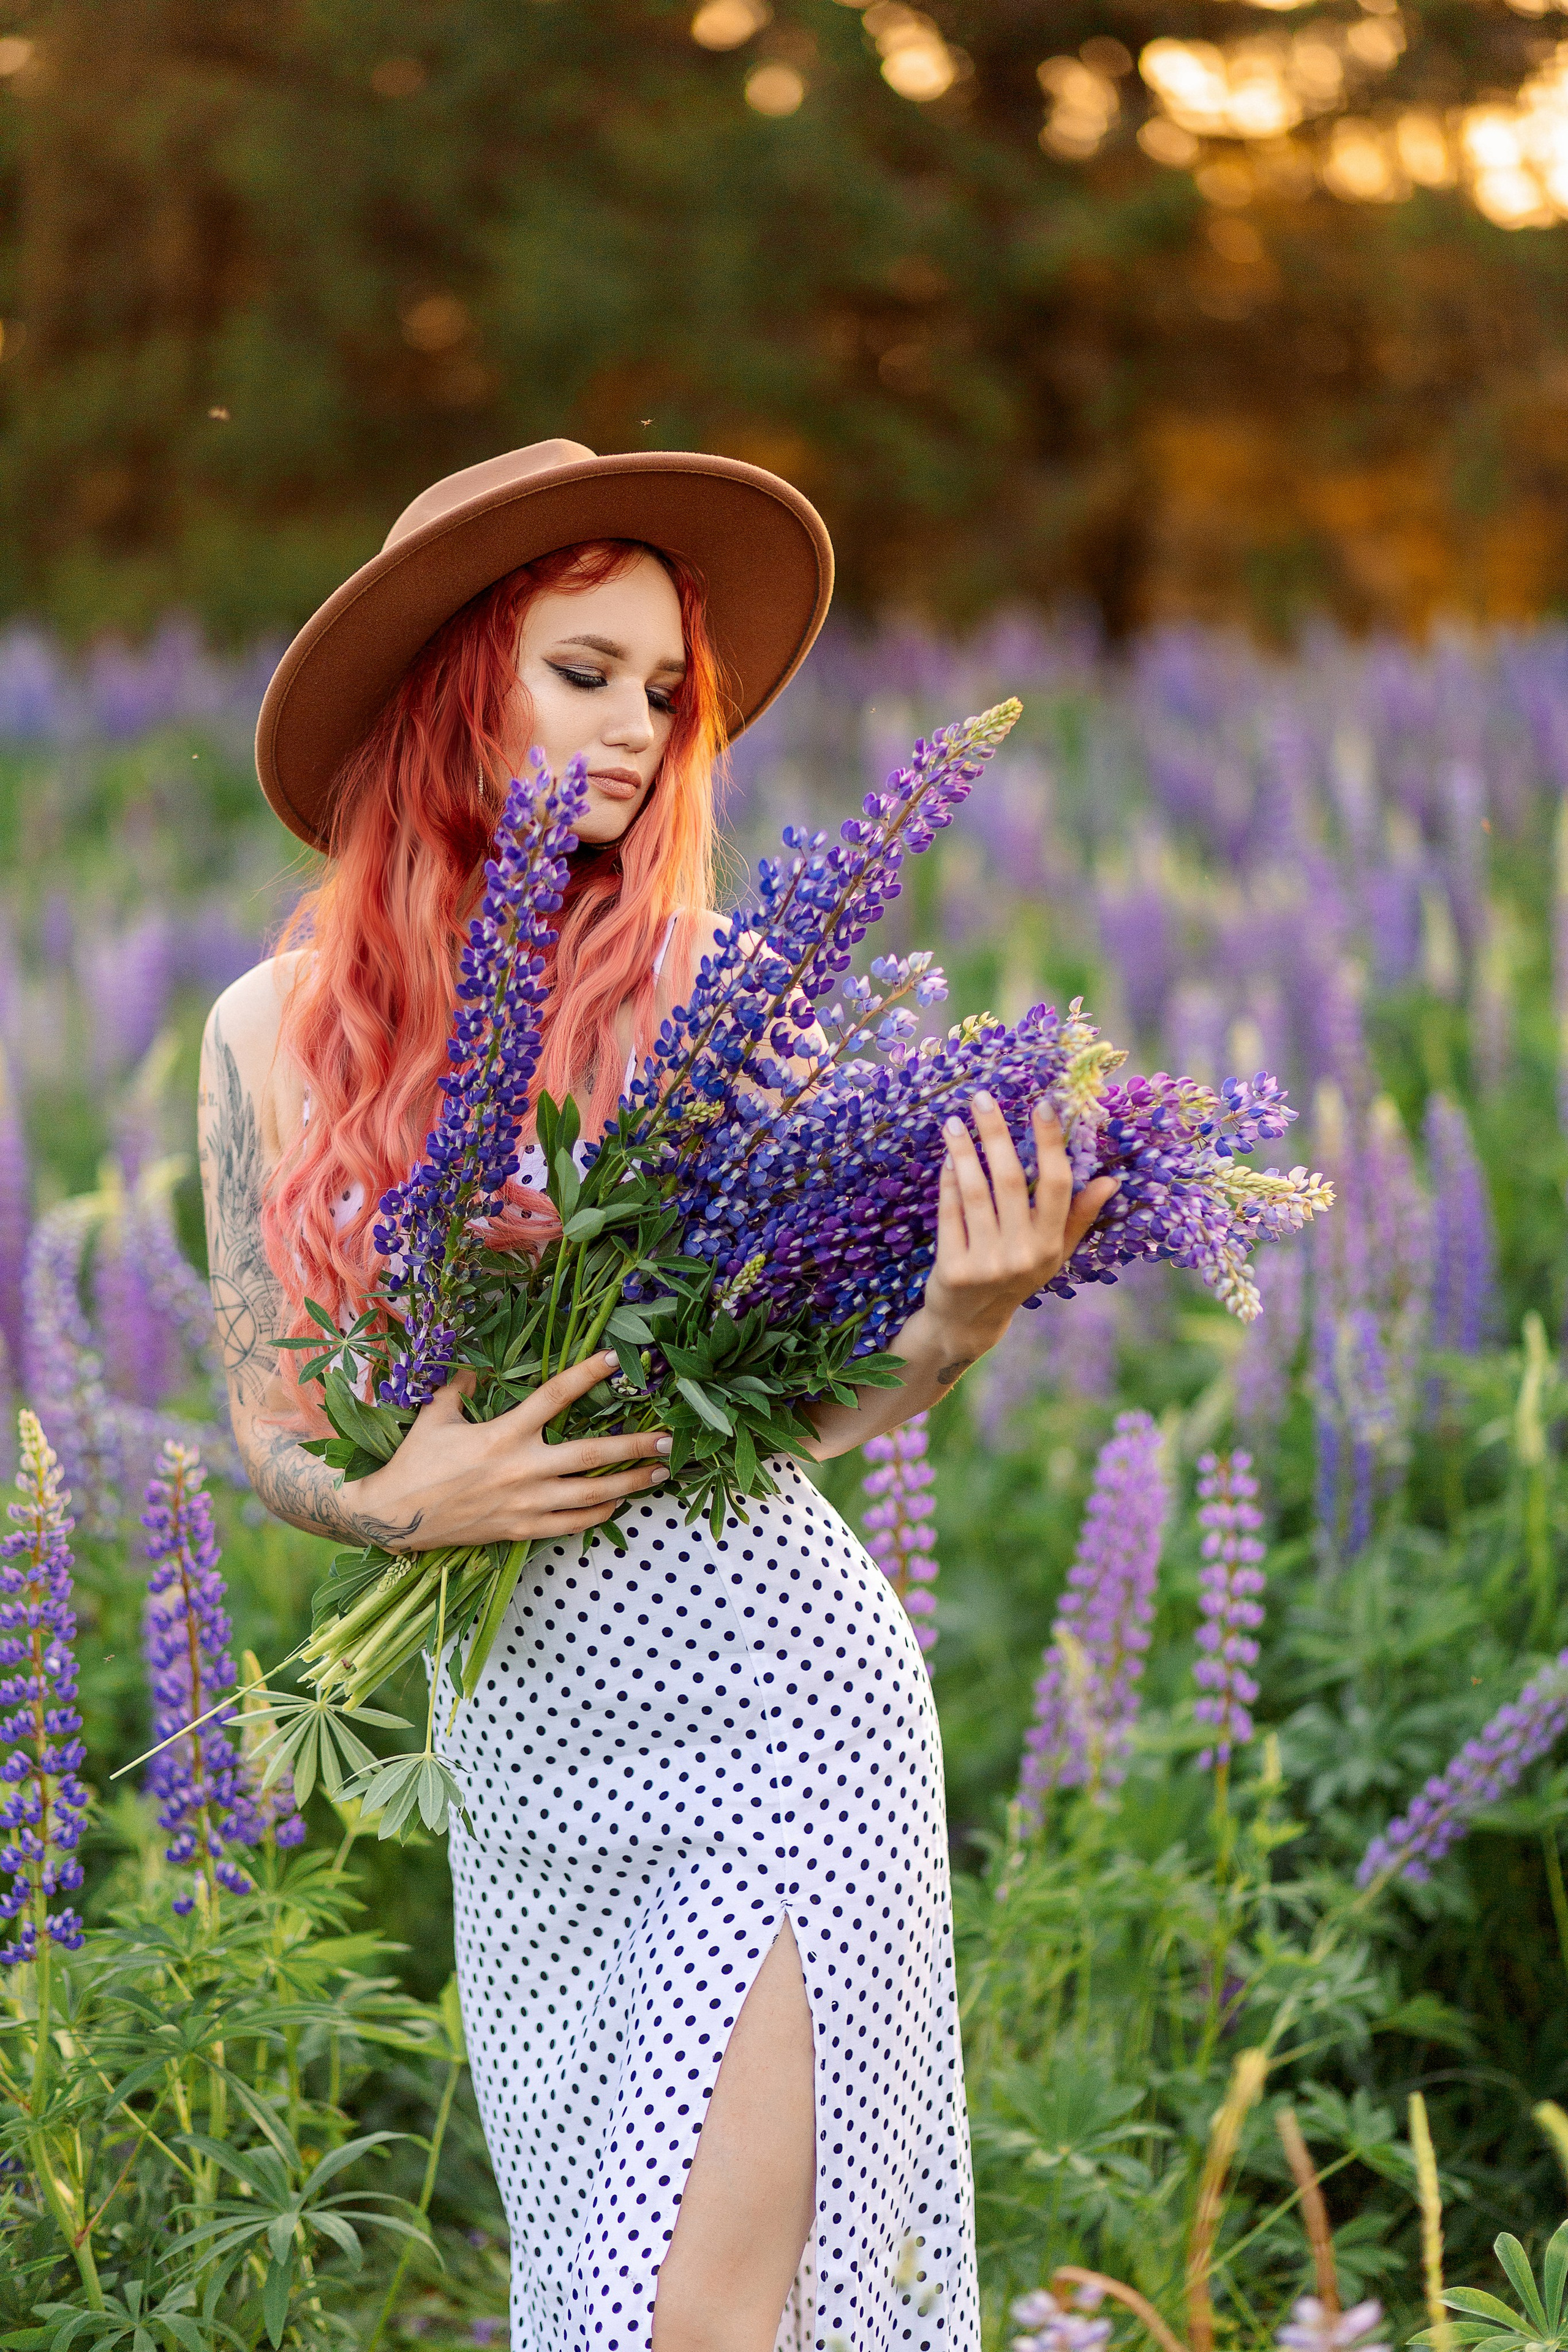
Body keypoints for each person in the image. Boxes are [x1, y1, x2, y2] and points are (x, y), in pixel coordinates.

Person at [198, 439, 1116, 2352]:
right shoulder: (274, 1033)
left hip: (774, 1721)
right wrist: (395, 1504)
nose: (634, 731)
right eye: (581, 671)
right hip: (526, 1763)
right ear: (460, 680)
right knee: (612, 2306)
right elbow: (272, 1430)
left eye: (659, 691)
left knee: (705, 2318)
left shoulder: (714, 994)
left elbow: (769, 1406)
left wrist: (956, 1322)